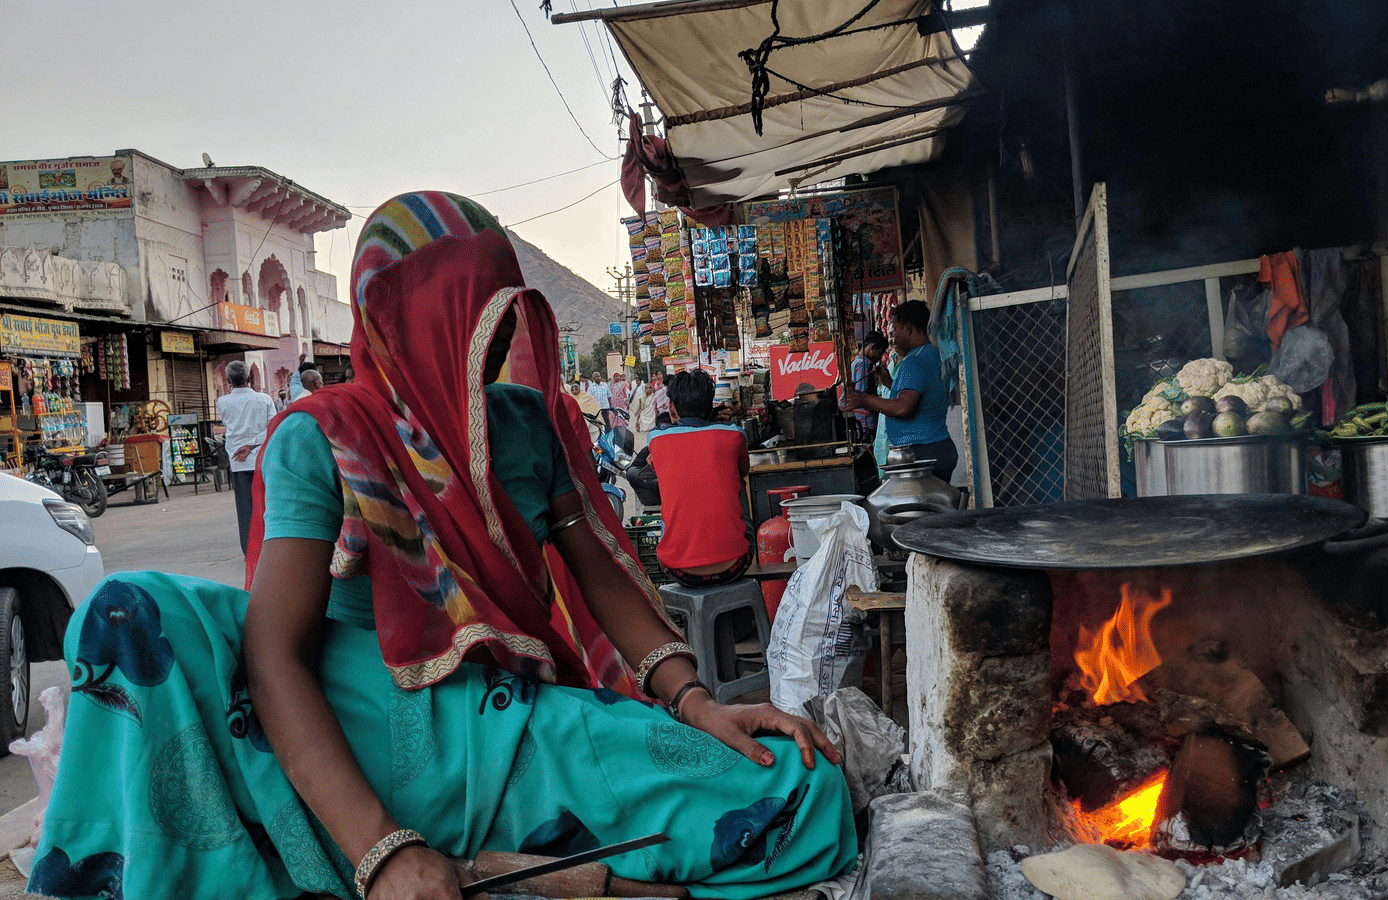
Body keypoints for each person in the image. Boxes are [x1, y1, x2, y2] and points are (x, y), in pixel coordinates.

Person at [30, 191, 854, 900]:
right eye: (469, 313)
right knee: (124, 610)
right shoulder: (323, 438)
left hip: (514, 728)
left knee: (803, 799)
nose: (492, 342)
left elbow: (603, 584)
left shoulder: (527, 428)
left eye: (500, 315)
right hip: (366, 746)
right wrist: (381, 849)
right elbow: (273, 656)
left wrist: (697, 703)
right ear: (406, 313)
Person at [650, 370, 755, 587]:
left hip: (678, 570)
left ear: (672, 408)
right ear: (711, 406)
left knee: (671, 498)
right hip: (736, 564)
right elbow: (743, 470)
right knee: (738, 482)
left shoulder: (656, 439)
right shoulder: (734, 435)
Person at [840, 300, 957, 482]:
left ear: (909, 328)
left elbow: (903, 407)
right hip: (936, 447)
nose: (890, 338)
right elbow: (922, 395)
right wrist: (889, 383)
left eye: (894, 331)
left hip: (922, 452)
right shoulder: (933, 353)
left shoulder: (914, 362)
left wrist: (863, 399)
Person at [216, 359, 277, 554]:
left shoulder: (223, 401)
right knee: (267, 505)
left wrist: (246, 444)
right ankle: (270, 545)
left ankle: (249, 549)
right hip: (262, 459)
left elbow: (230, 424)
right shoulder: (265, 399)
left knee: (245, 509)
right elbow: (273, 426)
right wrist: (253, 444)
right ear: (249, 378)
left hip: (238, 461)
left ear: (229, 380)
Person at [849, 331, 889, 443]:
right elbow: (861, 395)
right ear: (872, 347)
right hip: (866, 423)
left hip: (862, 422)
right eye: (880, 353)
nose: (880, 358)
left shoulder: (858, 362)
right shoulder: (863, 364)